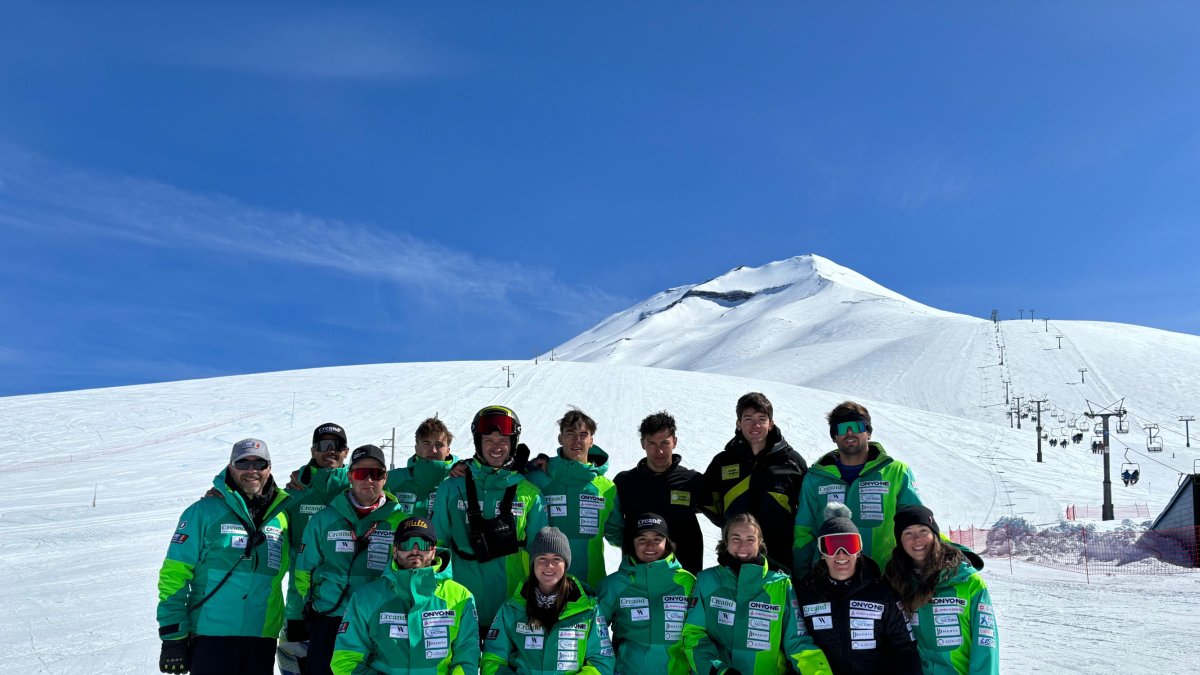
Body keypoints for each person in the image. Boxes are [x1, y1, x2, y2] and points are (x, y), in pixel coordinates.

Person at [157, 439, 292, 675]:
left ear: (269, 468)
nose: (252, 470)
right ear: (231, 467)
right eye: (243, 463)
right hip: (211, 636)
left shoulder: (282, 518)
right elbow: (174, 575)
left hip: (261, 638)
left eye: (259, 464)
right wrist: (172, 635)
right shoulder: (204, 512)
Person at [289, 444, 408, 675]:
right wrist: (316, 605)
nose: (369, 480)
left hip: (378, 620)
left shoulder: (400, 522)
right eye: (361, 473)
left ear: (385, 478)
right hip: (330, 617)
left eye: (376, 474)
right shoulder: (324, 519)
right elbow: (304, 571)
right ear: (350, 476)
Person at [432, 405, 548, 635]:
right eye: (489, 441)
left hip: (511, 609)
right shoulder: (451, 488)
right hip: (458, 607)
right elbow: (436, 548)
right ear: (478, 443)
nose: (496, 447)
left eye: (503, 440)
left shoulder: (530, 494)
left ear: (513, 443)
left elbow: (541, 554)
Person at [331, 516, 480, 675]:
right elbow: (345, 661)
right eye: (407, 544)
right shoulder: (365, 599)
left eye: (423, 544)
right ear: (395, 551)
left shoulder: (460, 597)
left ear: (433, 551)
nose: (415, 550)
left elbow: (466, 658)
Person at [792, 402, 925, 575]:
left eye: (856, 426)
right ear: (834, 436)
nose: (849, 433)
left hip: (885, 577)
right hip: (828, 580)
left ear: (868, 432)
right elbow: (804, 531)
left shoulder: (897, 472)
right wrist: (802, 577)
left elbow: (917, 525)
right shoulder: (815, 478)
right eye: (842, 428)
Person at [793, 504, 920, 674]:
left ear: (859, 551)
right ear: (822, 553)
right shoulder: (806, 595)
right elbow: (795, 644)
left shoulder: (883, 594)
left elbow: (904, 649)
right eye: (831, 546)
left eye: (849, 545)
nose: (841, 554)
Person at [680, 513, 807, 675]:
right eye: (736, 538)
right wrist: (717, 669)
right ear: (726, 542)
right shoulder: (706, 580)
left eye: (750, 539)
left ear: (759, 542)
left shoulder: (781, 584)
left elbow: (797, 641)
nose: (742, 546)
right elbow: (693, 635)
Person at [482, 526, 615, 674]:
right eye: (542, 558)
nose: (549, 565)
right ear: (533, 563)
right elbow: (492, 661)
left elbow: (601, 662)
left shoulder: (588, 610)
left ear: (566, 564)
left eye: (557, 559)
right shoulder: (511, 609)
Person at [884, 506, 999, 675]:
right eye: (908, 533)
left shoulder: (968, 581)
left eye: (923, 531)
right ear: (900, 541)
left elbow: (985, 642)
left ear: (935, 535)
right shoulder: (894, 581)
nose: (917, 539)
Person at [702, 392, 808, 570]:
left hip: (779, 556)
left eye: (761, 419)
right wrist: (728, 523)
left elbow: (807, 508)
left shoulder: (792, 461)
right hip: (736, 555)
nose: (755, 425)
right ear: (738, 423)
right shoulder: (724, 461)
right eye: (748, 419)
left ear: (771, 423)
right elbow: (705, 499)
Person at [524, 409, 622, 590]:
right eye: (570, 434)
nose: (577, 440)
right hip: (541, 587)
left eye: (583, 435)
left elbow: (617, 535)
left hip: (590, 587)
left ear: (591, 441)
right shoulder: (537, 478)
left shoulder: (607, 489)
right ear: (560, 438)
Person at [611, 412, 712, 575]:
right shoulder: (625, 482)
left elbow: (724, 515)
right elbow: (612, 525)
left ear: (675, 442)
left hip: (683, 574)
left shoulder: (692, 481)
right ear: (643, 443)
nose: (659, 451)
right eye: (652, 443)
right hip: (638, 574)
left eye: (665, 443)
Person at [596, 513, 696, 675]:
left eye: (657, 539)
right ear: (632, 542)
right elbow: (593, 634)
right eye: (642, 539)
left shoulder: (687, 582)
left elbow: (698, 634)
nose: (650, 546)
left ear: (667, 542)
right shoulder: (614, 585)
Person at [386, 417, 458, 518]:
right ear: (417, 449)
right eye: (426, 444)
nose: (433, 450)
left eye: (439, 445)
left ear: (448, 451)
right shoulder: (391, 480)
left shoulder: (461, 483)